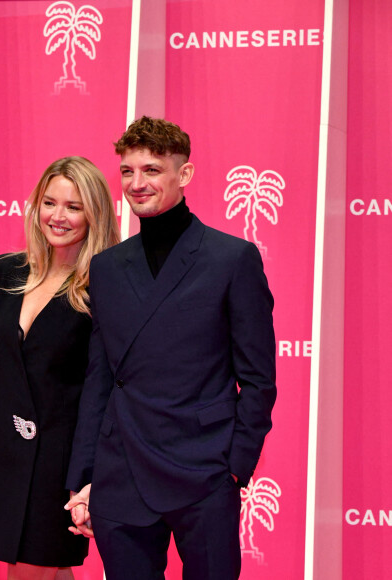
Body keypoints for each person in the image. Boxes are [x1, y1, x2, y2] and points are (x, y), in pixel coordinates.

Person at [65, 117, 277, 579]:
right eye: (127, 171)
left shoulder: (231, 259)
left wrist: (235, 468)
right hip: (121, 472)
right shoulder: (106, 268)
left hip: (203, 469)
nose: (137, 184)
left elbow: (259, 379)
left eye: (152, 170)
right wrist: (84, 476)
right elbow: (99, 378)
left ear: (184, 175)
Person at [0, 156, 120, 580]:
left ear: (95, 213)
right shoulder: (7, 271)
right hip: (6, 454)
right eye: (49, 202)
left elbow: (110, 388)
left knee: (32, 568)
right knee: (47, 570)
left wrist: (91, 474)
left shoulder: (107, 286)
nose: (57, 216)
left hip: (60, 462)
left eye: (74, 207)